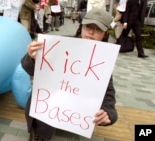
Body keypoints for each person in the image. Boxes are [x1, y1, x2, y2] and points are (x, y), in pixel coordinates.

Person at [21, 8, 118, 141]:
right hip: (48, 101)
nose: (91, 32)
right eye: (88, 26)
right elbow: (28, 69)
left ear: (105, 34)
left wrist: (109, 113)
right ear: (81, 26)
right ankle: (38, 133)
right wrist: (31, 57)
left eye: (98, 29)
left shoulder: (102, 61)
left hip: (75, 111)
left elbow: (108, 93)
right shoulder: (60, 45)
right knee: (40, 102)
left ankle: (66, 121)